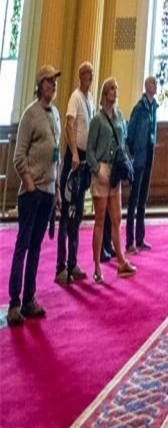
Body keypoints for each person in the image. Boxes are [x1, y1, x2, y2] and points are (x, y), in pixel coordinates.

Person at [7, 65, 62, 326]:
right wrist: (29, 182)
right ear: (40, 85)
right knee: (23, 246)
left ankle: (30, 298)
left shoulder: (56, 115)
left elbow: (57, 157)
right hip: (32, 192)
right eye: (49, 81)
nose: (53, 85)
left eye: (55, 82)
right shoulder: (31, 114)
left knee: (37, 247)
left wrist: (58, 190)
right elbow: (19, 155)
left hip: (49, 191)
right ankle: (14, 302)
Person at [86, 78, 137, 283]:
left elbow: (122, 141)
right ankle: (97, 266)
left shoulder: (119, 116)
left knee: (116, 219)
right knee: (100, 220)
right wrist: (97, 170)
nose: (114, 92)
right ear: (104, 93)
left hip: (114, 170)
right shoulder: (97, 120)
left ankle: (122, 262)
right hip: (101, 169)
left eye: (116, 88)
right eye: (111, 89)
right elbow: (89, 150)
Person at [55, 61, 94, 285]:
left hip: (85, 158)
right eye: (86, 74)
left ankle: (73, 262)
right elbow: (69, 125)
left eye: (91, 75)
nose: (89, 78)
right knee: (66, 215)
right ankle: (61, 266)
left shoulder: (89, 99)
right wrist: (73, 153)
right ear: (80, 77)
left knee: (77, 214)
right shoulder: (75, 97)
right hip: (74, 158)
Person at [125, 75, 158, 254]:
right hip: (139, 158)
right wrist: (134, 152)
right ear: (146, 86)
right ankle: (130, 241)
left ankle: (140, 237)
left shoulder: (154, 108)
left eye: (155, 83)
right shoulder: (139, 108)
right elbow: (130, 134)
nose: (155, 86)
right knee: (134, 200)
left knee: (143, 199)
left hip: (149, 156)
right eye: (152, 83)